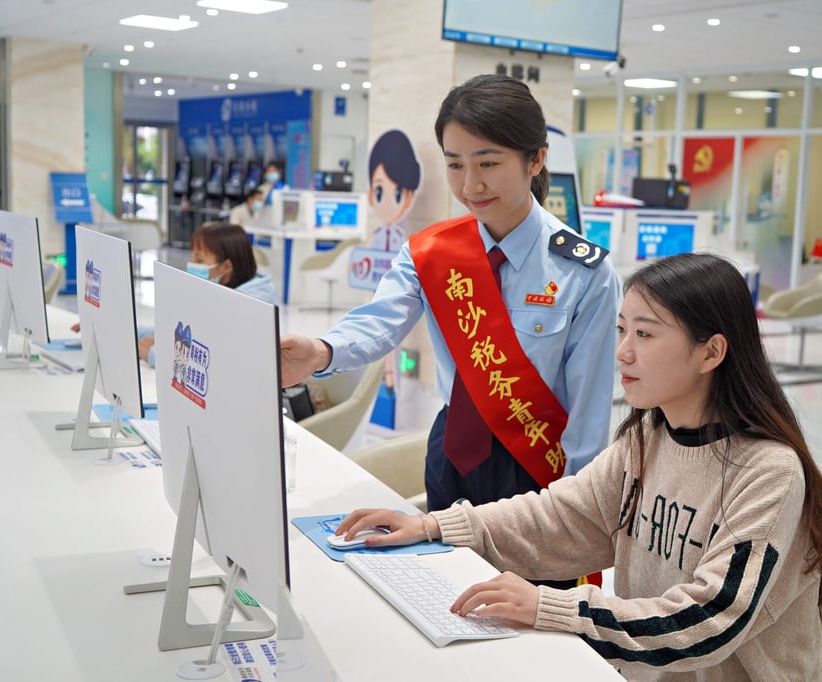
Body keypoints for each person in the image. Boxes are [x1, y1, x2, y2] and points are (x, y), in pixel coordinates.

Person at [336, 252, 822, 680]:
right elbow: (561, 517)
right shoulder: (648, 438)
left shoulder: (769, 473)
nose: (622, 353)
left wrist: (554, 609)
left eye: (645, 336)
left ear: (711, 351)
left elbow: (710, 619)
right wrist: (433, 526)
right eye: (622, 330)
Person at [279, 74, 620, 583]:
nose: (469, 186)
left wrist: (577, 520)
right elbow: (380, 323)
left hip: (535, 472)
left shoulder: (583, 273)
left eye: (488, 163)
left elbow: (589, 421)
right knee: (446, 593)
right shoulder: (433, 252)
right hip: (451, 455)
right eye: (455, 164)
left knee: (523, 616)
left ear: (536, 159)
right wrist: (321, 350)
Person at [138, 222, 275, 366]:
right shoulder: (220, 288)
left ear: (227, 266)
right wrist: (135, 330)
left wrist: (155, 355)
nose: (192, 263)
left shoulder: (250, 304)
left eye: (199, 259)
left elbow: (214, 358)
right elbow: (187, 332)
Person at [367, 129, 422, 254]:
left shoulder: (399, 236)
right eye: (379, 193)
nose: (387, 205)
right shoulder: (376, 235)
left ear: (408, 198)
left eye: (398, 195)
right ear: (370, 195)